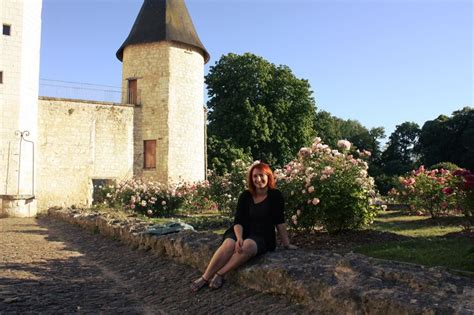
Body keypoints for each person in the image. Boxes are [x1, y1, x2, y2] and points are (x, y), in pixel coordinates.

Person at [191, 162, 297, 291]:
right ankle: (205, 277)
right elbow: (238, 220)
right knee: (229, 244)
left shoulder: (275, 196)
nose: (258, 179)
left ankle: (220, 274)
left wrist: (286, 244)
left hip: (262, 235)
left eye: (261, 175)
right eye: (255, 176)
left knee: (248, 246)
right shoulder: (246, 195)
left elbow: (279, 221)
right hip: (241, 230)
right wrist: (239, 237)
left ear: (268, 176)